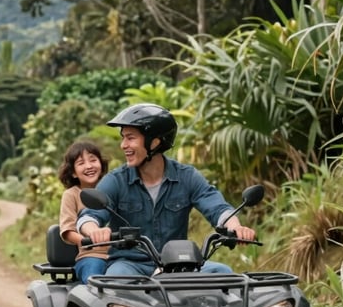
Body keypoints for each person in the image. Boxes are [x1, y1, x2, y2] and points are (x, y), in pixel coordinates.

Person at [77, 103, 256, 277]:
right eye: (123, 138)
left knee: (223, 273)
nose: (123, 145)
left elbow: (218, 208)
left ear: (154, 142)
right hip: (131, 265)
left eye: (130, 138)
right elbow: (89, 216)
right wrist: (94, 231)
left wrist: (236, 227)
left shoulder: (187, 177)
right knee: (116, 281)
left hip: (178, 264)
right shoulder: (116, 180)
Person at [58, 140, 110, 283]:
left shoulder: (114, 189)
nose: (89, 166)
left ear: (101, 163)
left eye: (93, 160)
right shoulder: (71, 195)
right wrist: (88, 240)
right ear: (73, 172)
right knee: (94, 283)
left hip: (123, 255)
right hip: (92, 255)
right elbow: (67, 231)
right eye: (81, 163)